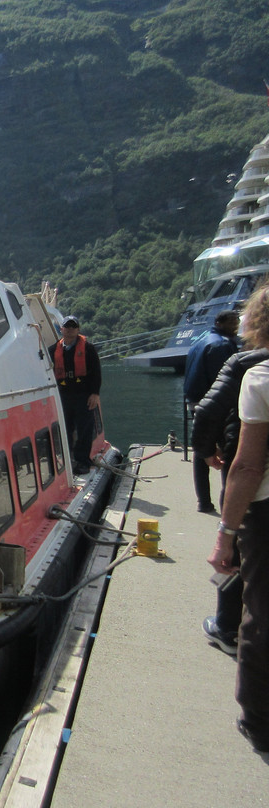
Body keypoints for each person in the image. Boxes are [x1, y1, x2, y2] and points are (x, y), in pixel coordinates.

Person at [208, 284, 269, 755]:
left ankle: (259, 719)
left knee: (261, 612)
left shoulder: (261, 377)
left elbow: (248, 467)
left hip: (265, 513)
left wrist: (226, 534)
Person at [192, 346, 269, 654]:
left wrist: (205, 450)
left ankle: (227, 625)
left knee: (235, 547)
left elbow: (207, 411)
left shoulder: (246, 364)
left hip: (246, 464)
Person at [185, 310, 241, 513]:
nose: (236, 326)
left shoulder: (199, 343)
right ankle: (228, 506)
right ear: (221, 322)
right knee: (229, 450)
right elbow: (226, 380)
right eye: (233, 322)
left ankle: (204, 502)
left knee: (202, 449)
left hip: (195, 402)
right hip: (216, 404)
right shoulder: (222, 345)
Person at [53, 315, 102, 475]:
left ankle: (82, 461)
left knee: (84, 430)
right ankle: (67, 460)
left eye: (73, 326)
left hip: (84, 395)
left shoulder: (88, 348)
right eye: (67, 326)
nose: (70, 329)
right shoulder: (53, 350)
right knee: (65, 429)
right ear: (61, 329)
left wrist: (95, 393)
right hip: (64, 396)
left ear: (78, 329)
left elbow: (96, 372)